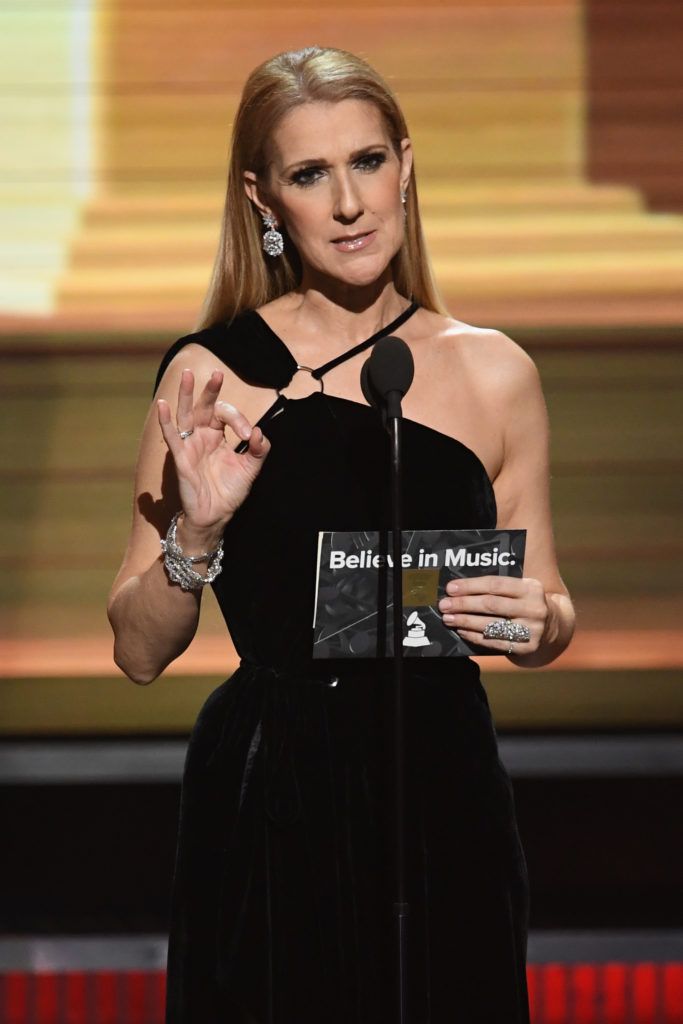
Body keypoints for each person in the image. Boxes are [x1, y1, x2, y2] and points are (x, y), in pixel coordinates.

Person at [108, 45, 575, 1024]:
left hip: (440, 781)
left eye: (366, 162)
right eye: (310, 174)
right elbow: (139, 648)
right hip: (273, 791)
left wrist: (540, 623)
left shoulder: (495, 373)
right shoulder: (209, 377)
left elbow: (548, 606)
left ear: (405, 164)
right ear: (263, 198)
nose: (349, 203)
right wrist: (197, 528)